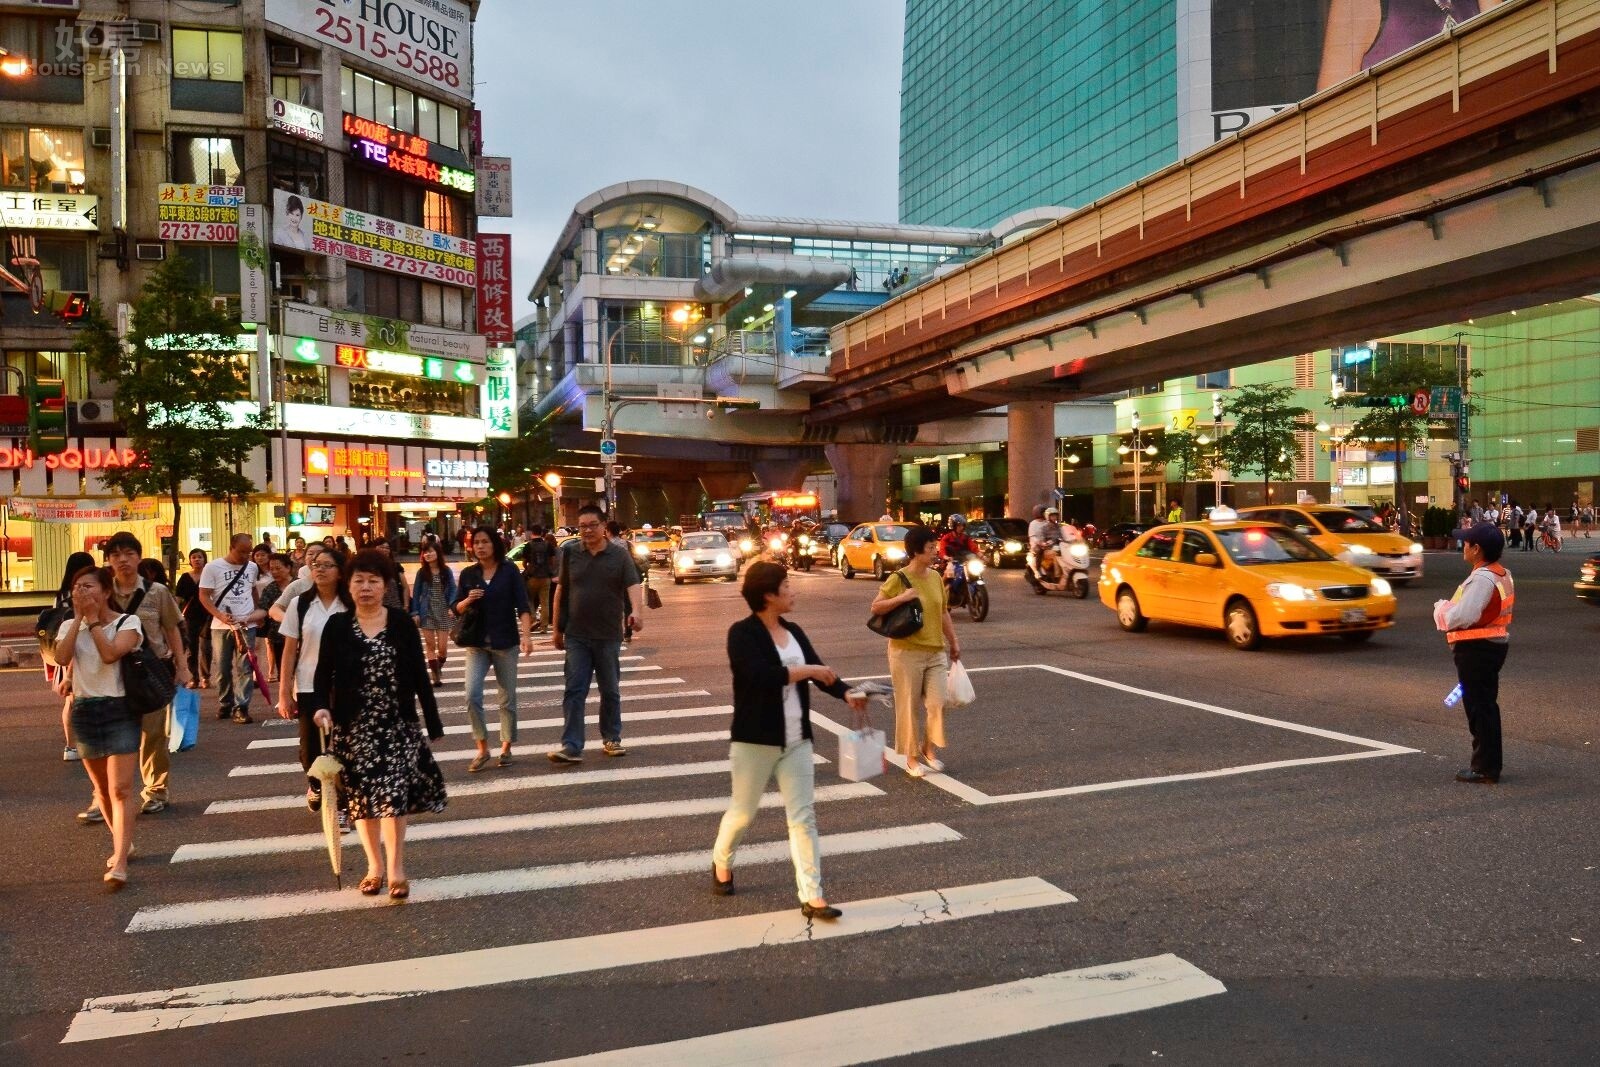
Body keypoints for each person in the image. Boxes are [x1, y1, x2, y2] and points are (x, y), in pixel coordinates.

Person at [712, 562, 868, 919]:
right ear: (768, 595)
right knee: (743, 813)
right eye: (786, 585)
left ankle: (812, 896)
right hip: (755, 741)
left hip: (797, 739)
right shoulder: (742, 634)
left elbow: (819, 670)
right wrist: (809, 671)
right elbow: (759, 676)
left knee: (803, 817)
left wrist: (846, 693)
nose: (792, 591)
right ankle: (722, 860)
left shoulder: (793, 630)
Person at [311, 550, 447, 899]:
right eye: (359, 581)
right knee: (361, 802)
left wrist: (432, 723)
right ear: (348, 586)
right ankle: (374, 868)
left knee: (392, 799)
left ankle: (397, 869)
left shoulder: (400, 623)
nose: (366, 587)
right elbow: (322, 673)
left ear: (386, 586)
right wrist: (321, 707)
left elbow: (418, 674)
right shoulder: (337, 626)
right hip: (353, 728)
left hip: (395, 726)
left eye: (373, 581)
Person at [54, 565, 145, 890]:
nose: (81, 592)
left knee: (121, 789)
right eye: (77, 587)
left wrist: (93, 621)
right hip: (84, 710)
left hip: (119, 709)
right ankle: (123, 842)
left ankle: (119, 861)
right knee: (102, 789)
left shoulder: (127, 623)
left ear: (106, 591)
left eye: (88, 586)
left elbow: (110, 655)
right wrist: (79, 619)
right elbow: (61, 657)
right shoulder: (69, 625)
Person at [549, 504, 643, 764]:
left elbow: (633, 584)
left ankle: (612, 738)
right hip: (576, 634)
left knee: (610, 690)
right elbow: (561, 591)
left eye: (593, 525)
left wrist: (637, 611)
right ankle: (571, 746)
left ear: (603, 526)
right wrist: (556, 628)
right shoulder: (570, 552)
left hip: (608, 634)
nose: (588, 530)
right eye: (583, 526)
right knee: (574, 690)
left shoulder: (619, 555)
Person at [104, 532, 189, 815]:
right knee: (114, 736)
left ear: (139, 557)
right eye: (116, 555)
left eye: (129, 554)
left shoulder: (157, 592)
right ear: (108, 560)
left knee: (153, 735)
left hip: (151, 673)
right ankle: (105, 795)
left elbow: (171, 629)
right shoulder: (102, 591)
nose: (123, 560)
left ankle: (156, 791)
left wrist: (182, 666)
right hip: (112, 672)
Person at [870, 526, 960, 778]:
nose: (935, 552)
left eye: (935, 547)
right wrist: (902, 598)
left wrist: (954, 642)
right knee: (908, 707)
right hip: (906, 652)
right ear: (916, 552)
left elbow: (943, 613)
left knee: (938, 703)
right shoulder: (898, 578)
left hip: (935, 651)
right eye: (930, 548)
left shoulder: (935, 578)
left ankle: (927, 748)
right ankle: (911, 758)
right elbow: (876, 607)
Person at [1433, 522, 1513, 785]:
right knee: (1485, 705)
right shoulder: (1501, 573)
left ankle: (1485, 768)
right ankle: (1488, 764)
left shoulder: (1482, 579)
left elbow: (1463, 615)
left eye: (1466, 543)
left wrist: (1441, 610)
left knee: (1479, 708)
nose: (1463, 546)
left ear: (1477, 549)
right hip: (1491, 646)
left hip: (1477, 649)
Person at [278, 548, 351, 829]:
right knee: (310, 751)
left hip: (344, 687)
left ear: (340, 572)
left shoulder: (350, 604)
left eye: (327, 565)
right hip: (308, 685)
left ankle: (343, 806)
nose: (319, 569)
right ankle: (316, 784)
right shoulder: (300, 604)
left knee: (343, 747)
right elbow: (289, 651)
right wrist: (284, 692)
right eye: (315, 564)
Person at [453, 527, 533, 771]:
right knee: (471, 695)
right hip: (476, 643)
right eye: (476, 542)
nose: (480, 546)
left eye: (485, 542)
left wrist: (526, 636)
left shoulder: (509, 571)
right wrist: (467, 600)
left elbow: (523, 606)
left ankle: (506, 747)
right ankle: (482, 748)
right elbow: (455, 607)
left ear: (494, 544)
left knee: (506, 698)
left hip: (505, 642)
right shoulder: (469, 574)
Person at [198, 532, 265, 724]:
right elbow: (204, 595)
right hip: (221, 626)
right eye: (242, 552)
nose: (246, 556)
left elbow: (252, 589)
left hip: (246, 623)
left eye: (248, 552)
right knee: (222, 667)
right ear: (231, 547)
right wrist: (219, 615)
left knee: (245, 667)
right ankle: (225, 702)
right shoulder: (213, 567)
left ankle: (241, 706)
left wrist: (256, 611)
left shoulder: (252, 567)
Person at [49, 551, 97, 768]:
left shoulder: (61, 594)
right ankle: (87, 741)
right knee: (82, 697)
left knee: (70, 700)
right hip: (83, 647)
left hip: (65, 645)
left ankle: (71, 745)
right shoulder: (90, 590)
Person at [410, 540, 456, 685]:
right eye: (425, 552)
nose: (427, 554)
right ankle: (435, 676)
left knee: (442, 649)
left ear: (437, 553)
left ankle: (438, 666)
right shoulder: (422, 572)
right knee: (430, 646)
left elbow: (453, 589)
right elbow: (416, 593)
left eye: (430, 551)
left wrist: (452, 606)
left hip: (443, 611)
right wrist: (415, 612)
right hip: (426, 612)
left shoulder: (446, 571)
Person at [173, 548, 212, 689]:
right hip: (190, 617)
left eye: (200, 557)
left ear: (204, 559)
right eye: (194, 557)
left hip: (208, 615)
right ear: (190, 560)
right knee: (192, 648)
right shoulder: (185, 577)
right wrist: (175, 616)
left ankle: (205, 677)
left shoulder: (209, 576)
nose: (197, 559)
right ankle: (194, 677)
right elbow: (178, 598)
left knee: (206, 647)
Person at [257, 553, 295, 684]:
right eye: (271, 569)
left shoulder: (299, 585)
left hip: (300, 637)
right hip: (278, 636)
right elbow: (263, 609)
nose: (274, 572)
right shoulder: (270, 588)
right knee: (283, 673)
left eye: (278, 568)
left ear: (288, 567)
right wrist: (245, 618)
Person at [519, 524, 557, 633]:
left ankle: (533, 619)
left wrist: (528, 568)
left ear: (532, 533)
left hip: (532, 577)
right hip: (545, 577)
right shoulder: (548, 545)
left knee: (529, 599)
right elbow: (552, 561)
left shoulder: (528, 546)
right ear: (542, 533)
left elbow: (524, 562)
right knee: (545, 602)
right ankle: (544, 627)